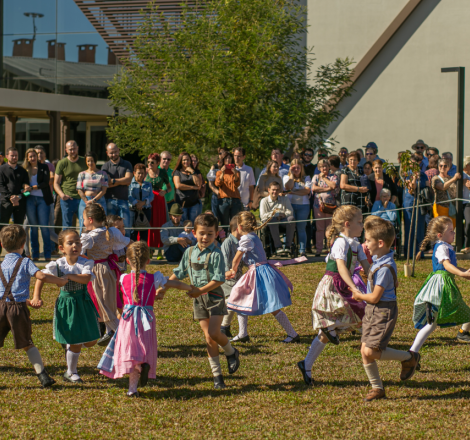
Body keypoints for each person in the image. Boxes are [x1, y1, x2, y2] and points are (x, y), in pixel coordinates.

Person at [98, 242, 192, 397]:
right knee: (144, 345)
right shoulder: (154, 278)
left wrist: (119, 311)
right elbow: (174, 283)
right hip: (146, 318)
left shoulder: (123, 278)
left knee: (130, 349)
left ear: (128, 261)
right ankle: (143, 365)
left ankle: (132, 388)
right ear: (148, 261)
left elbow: (120, 297)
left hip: (128, 319)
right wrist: (190, 287)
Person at [163, 213, 241, 389]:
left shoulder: (216, 254)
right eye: (202, 233)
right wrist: (163, 287)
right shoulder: (189, 252)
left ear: (216, 234)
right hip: (199, 300)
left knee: (214, 332)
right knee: (208, 338)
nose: (205, 237)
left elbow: (219, 279)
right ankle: (217, 377)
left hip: (214, 297)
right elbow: (180, 272)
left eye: (210, 234)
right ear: (194, 233)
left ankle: (231, 352)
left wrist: (200, 291)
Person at [297, 205, 370, 385]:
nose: (362, 226)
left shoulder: (356, 245)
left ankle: (306, 363)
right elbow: (341, 267)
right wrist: (353, 287)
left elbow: (367, 268)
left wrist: (382, 283)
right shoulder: (341, 242)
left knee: (339, 325)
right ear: (347, 224)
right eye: (359, 222)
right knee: (355, 317)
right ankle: (377, 356)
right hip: (333, 285)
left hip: (345, 286)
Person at [350, 216, 419, 401]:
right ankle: (377, 388)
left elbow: (374, 297)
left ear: (380, 243)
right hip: (372, 311)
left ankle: (408, 357)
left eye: (368, 240)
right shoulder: (380, 261)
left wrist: (358, 295)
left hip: (382, 311)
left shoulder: (384, 267)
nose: (365, 244)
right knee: (364, 350)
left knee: (372, 351)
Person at [0, 225, 67, 387]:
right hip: (17, 310)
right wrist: (60, 281)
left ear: (2, 245)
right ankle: (42, 375)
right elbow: (42, 275)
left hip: (1, 307)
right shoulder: (25, 262)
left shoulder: (1, 264)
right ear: (23, 244)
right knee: (28, 344)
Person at [35, 229, 99, 384]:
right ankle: (71, 372)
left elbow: (85, 279)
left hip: (83, 302)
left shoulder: (85, 262)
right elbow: (41, 277)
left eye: (77, 242)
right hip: (66, 304)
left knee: (92, 340)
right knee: (76, 341)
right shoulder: (57, 264)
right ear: (62, 248)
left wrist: (68, 276)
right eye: (70, 243)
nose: (75, 245)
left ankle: (72, 346)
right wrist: (36, 296)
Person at [226, 211, 299, 343]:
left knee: (267, 304)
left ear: (240, 227)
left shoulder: (246, 239)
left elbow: (236, 258)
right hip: (261, 271)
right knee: (241, 298)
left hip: (258, 273)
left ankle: (292, 334)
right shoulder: (253, 236)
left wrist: (233, 270)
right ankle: (243, 333)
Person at [410, 217, 470, 354]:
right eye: (451, 231)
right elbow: (447, 265)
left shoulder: (445, 246)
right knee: (431, 324)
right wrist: (462, 275)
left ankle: (413, 352)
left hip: (442, 286)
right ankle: (412, 352)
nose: (454, 233)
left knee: (432, 324)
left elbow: (453, 266)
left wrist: (464, 272)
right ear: (440, 235)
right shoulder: (442, 247)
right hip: (439, 288)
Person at [80, 203, 131, 346]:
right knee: (108, 305)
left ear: (90, 219)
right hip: (109, 269)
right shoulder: (112, 232)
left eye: (83, 219)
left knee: (105, 307)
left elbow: (77, 253)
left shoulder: (89, 237)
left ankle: (128, 341)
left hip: (99, 272)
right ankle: (111, 337)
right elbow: (128, 242)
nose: (82, 222)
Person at [23, 148, 54, 261]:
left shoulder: (44, 167)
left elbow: (46, 182)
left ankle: (47, 254)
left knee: (44, 227)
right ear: (27, 158)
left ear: (37, 156)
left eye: (34, 156)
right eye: (30, 156)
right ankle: (35, 254)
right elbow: (22, 182)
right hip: (29, 199)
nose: (33, 158)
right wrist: (25, 186)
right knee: (33, 228)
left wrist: (33, 187)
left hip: (43, 199)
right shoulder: (25, 169)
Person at [220, 216, 248, 341]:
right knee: (235, 301)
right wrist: (229, 273)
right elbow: (224, 263)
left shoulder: (241, 243)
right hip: (228, 280)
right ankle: (240, 333)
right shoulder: (227, 243)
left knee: (234, 302)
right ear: (238, 228)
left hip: (237, 278)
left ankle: (224, 327)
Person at [101, 143, 133, 237]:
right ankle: (113, 250)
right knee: (111, 228)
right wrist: (122, 181)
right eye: (111, 153)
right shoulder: (105, 167)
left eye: (115, 152)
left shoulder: (127, 164)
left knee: (125, 228)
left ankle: (126, 250)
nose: (114, 154)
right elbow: (106, 184)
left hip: (123, 200)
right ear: (107, 153)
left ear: (119, 150)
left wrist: (113, 181)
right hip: (109, 200)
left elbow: (128, 180)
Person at [0, 148, 30, 245]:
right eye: (12, 155)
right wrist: (11, 198)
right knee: (2, 228)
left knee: (19, 229)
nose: (14, 157)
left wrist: (19, 197)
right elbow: (1, 186)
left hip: (20, 203)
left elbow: (27, 191)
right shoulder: (1, 169)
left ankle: (20, 251)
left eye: (16, 155)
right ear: (7, 156)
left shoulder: (23, 171)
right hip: (5, 203)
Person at [54, 141, 86, 229]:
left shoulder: (85, 161)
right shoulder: (62, 163)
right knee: (67, 226)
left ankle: (82, 242)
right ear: (66, 150)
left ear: (78, 148)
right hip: (68, 198)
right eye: (70, 149)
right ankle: (67, 243)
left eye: (74, 149)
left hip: (82, 198)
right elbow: (56, 183)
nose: (73, 151)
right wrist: (62, 195)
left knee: (84, 225)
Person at [283, 159, 312, 257]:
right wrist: (291, 175)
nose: (296, 169)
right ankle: (287, 248)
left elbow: (307, 191)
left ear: (301, 168)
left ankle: (302, 250)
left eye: (298, 167)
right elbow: (288, 187)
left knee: (301, 228)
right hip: (290, 205)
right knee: (290, 226)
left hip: (303, 206)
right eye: (293, 168)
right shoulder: (286, 177)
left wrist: (293, 192)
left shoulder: (306, 178)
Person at [311, 159, 339, 257]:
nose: (324, 168)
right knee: (320, 228)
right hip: (318, 205)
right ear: (319, 168)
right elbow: (314, 188)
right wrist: (327, 188)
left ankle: (330, 248)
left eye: (326, 166)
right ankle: (319, 249)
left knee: (330, 228)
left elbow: (333, 185)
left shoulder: (333, 176)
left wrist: (326, 179)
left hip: (331, 206)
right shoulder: (316, 177)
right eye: (322, 166)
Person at [259, 181, 295, 255]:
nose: (275, 191)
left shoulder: (285, 199)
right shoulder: (264, 201)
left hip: (282, 221)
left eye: (277, 190)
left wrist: (283, 215)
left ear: (279, 190)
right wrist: (277, 214)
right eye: (273, 189)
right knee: (273, 219)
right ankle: (278, 247)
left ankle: (288, 246)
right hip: (269, 223)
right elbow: (262, 216)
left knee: (291, 218)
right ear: (269, 190)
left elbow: (290, 211)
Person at [403, 154, 428, 259]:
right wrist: (414, 178)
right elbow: (411, 190)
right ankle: (409, 254)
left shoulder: (424, 175)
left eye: (416, 165)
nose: (414, 167)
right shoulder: (406, 175)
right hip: (410, 204)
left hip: (420, 205)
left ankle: (419, 253)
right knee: (410, 229)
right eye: (412, 164)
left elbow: (427, 187)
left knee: (420, 230)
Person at [76, 151, 108, 235]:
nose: (90, 163)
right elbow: (79, 189)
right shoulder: (81, 174)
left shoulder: (102, 174)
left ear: (95, 161)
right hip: (85, 202)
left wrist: (93, 200)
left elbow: (104, 190)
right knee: (83, 224)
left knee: (101, 224)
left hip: (99, 201)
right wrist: (86, 201)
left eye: (92, 160)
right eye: (88, 161)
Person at [34, 145, 58, 249]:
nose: (39, 155)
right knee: (28, 227)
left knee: (49, 227)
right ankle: (28, 252)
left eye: (41, 153)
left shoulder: (49, 166)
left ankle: (54, 248)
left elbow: (51, 180)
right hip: (32, 199)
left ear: (45, 154)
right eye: (37, 153)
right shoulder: (31, 166)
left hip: (48, 199)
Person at [173, 152, 203, 223]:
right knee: (183, 223)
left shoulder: (195, 172)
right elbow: (178, 186)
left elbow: (199, 185)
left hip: (194, 203)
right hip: (182, 203)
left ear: (190, 160)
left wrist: (192, 172)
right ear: (180, 161)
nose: (186, 161)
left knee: (194, 223)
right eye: (184, 160)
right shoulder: (177, 172)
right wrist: (192, 187)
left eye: (188, 159)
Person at [215, 152, 242, 231]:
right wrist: (222, 173)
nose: (228, 160)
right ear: (223, 160)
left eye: (229, 158)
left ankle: (235, 241)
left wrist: (235, 173)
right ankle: (225, 241)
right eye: (226, 158)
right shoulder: (219, 172)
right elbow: (218, 183)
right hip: (224, 200)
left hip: (235, 200)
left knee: (235, 223)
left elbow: (237, 184)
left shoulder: (236, 172)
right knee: (224, 224)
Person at [432, 158, 461, 228]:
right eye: (441, 166)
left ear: (448, 168)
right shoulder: (435, 178)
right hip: (440, 207)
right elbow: (442, 187)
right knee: (441, 229)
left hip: (452, 208)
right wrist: (454, 179)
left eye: (445, 166)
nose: (443, 167)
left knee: (450, 229)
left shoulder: (451, 178)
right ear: (438, 167)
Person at [129, 163, 154, 243]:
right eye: (138, 173)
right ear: (134, 173)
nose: (140, 175)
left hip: (146, 210)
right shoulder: (129, 184)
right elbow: (128, 196)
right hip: (133, 211)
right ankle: (133, 254)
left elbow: (151, 196)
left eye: (142, 173)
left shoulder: (148, 184)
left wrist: (143, 203)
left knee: (144, 234)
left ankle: (143, 253)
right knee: (133, 233)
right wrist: (136, 203)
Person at [461, 156, 470, 254]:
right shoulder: (463, 174)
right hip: (465, 203)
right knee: (468, 223)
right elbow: (464, 182)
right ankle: (467, 245)